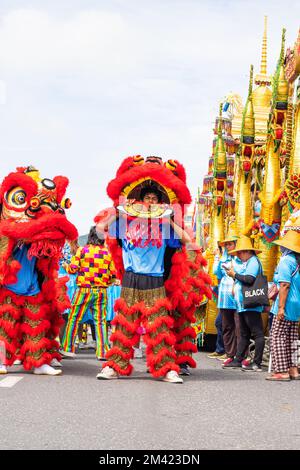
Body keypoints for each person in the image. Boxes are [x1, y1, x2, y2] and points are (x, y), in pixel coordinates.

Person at [96, 186, 191, 383]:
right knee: (124, 326)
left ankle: (166, 369)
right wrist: (121, 210)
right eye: (146, 198)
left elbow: (187, 239)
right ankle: (113, 366)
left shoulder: (164, 226)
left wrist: (169, 220)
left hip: (155, 280)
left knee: (158, 327)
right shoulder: (125, 222)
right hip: (131, 279)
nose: (149, 202)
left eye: (154, 199)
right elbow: (101, 229)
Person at [61, 226, 116, 360]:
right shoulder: (107, 253)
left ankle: (68, 348)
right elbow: (113, 275)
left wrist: (64, 265)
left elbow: (73, 269)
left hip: (84, 290)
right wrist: (105, 283)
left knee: (74, 318)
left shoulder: (82, 250)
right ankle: (102, 352)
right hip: (102, 291)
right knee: (101, 321)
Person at [223, 236, 265, 372]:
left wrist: (234, 275)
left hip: (251, 302)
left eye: (240, 252)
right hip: (243, 304)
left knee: (257, 333)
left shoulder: (253, 261)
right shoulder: (247, 262)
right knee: (244, 333)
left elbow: (249, 279)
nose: (239, 255)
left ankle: (257, 362)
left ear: (247, 251)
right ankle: (238, 359)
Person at [266, 229, 300, 381]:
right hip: (296, 305)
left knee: (278, 336)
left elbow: (285, 285)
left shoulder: (286, 261)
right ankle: (294, 370)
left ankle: (281, 371)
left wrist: (280, 307)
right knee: (292, 338)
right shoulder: (297, 262)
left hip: (286, 304)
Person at [212, 231, 240, 367]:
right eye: (226, 244)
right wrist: (218, 258)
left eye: (230, 244)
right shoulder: (224, 258)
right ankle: (229, 354)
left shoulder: (240, 259)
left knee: (239, 327)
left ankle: (240, 355)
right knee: (226, 326)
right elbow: (216, 273)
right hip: (224, 296)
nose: (228, 247)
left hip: (237, 297)